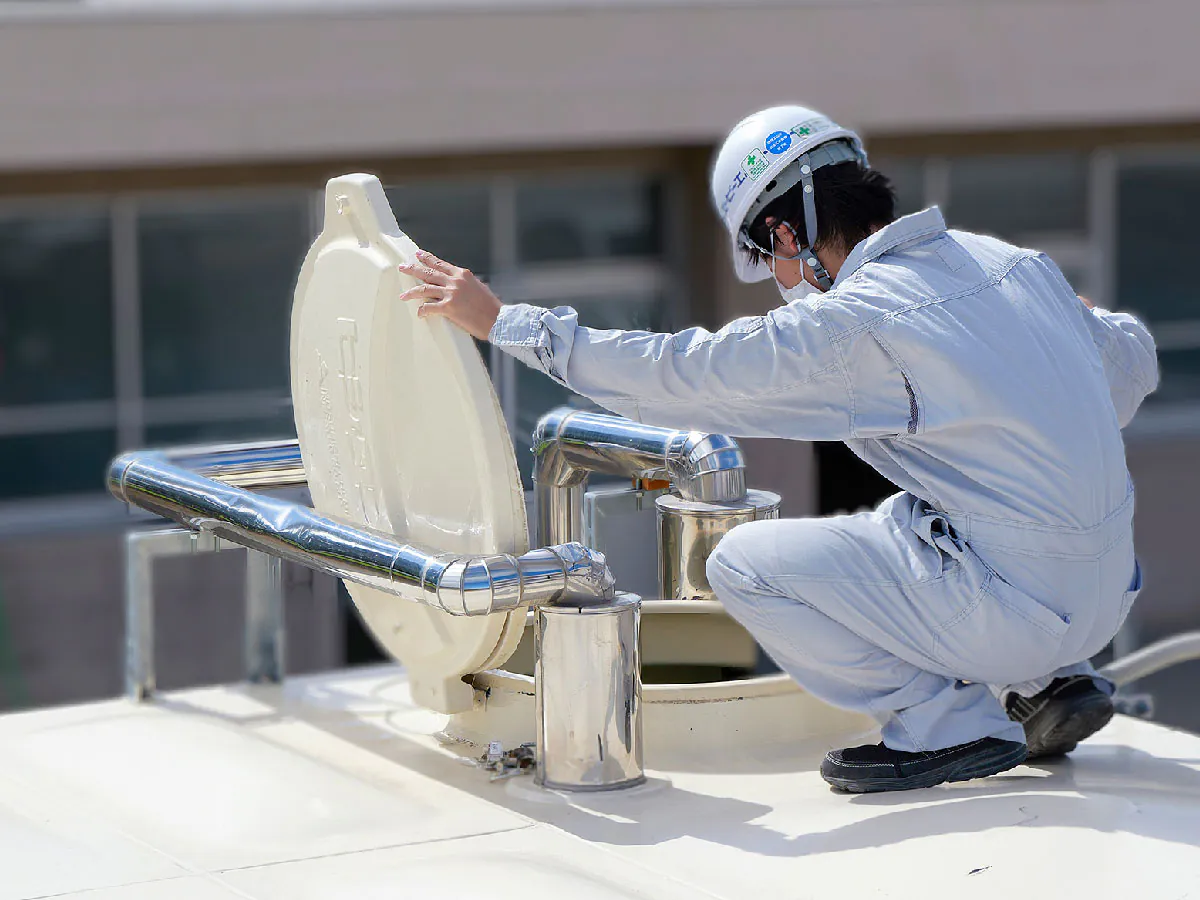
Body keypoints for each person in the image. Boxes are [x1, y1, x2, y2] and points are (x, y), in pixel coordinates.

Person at [396, 105, 1158, 793]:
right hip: (1111, 593)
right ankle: (1050, 685)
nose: (781, 282)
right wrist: (1078, 317)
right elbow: (1131, 370)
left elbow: (683, 373)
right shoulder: (1012, 266)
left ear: (785, 234)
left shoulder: (861, 320)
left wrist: (506, 324)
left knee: (743, 565)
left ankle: (947, 726)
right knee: (928, 504)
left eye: (770, 262)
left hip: (1017, 609)